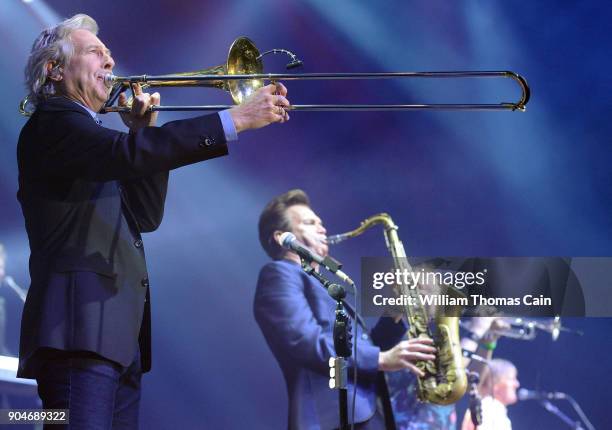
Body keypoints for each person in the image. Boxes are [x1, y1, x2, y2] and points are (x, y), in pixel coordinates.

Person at [18, 13, 290, 428]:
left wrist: (144, 131)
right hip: (78, 333)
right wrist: (232, 120)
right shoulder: (54, 122)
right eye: (95, 52)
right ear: (55, 69)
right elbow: (124, 155)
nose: (111, 62)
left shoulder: (93, 143)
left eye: (110, 53)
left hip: (116, 339)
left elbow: (145, 216)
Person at [254, 189, 437, 430]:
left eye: (321, 222)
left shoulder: (324, 286)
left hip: (364, 414)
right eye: (310, 223)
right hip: (334, 419)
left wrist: (397, 310)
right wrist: (381, 359)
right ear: (282, 237)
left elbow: (364, 347)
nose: (323, 229)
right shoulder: (279, 273)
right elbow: (303, 340)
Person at [461, 358, 519, 430]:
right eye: (512, 379)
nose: (517, 384)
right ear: (495, 383)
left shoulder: (493, 409)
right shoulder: (488, 409)